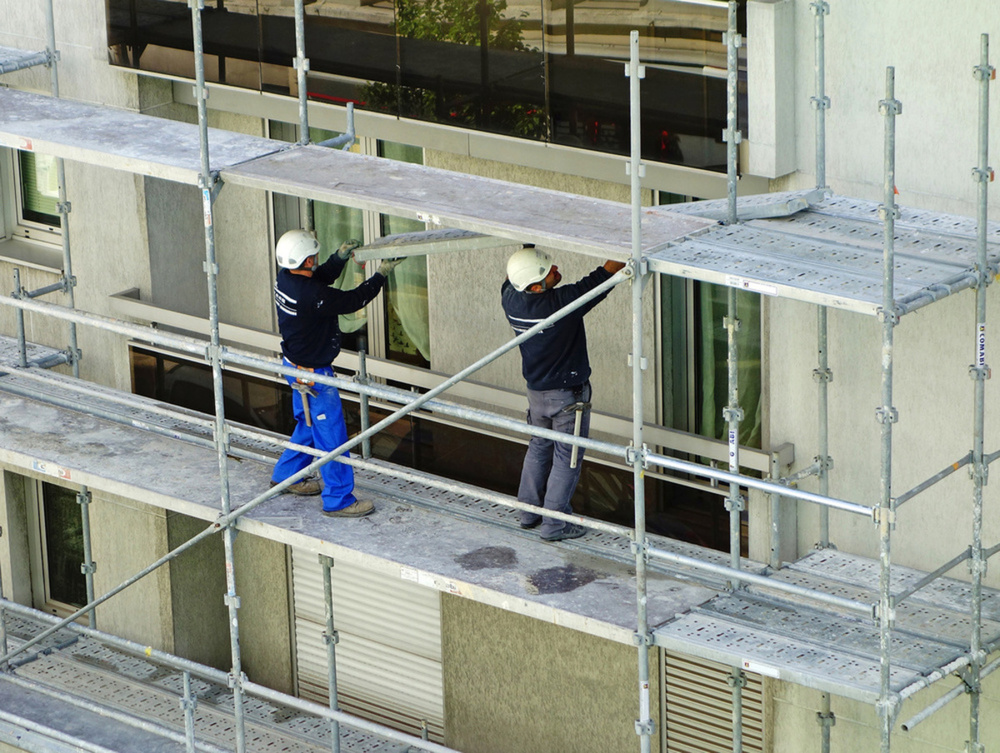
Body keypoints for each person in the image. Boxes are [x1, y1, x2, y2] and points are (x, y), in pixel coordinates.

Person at [270, 229, 401, 517]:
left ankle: (286, 474)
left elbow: (318, 280)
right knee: (332, 437)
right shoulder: (311, 295)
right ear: (305, 261)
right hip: (315, 376)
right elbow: (351, 301)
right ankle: (339, 499)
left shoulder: (286, 277)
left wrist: (338, 260)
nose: (317, 260)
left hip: (294, 366)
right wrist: (380, 275)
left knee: (308, 424)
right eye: (314, 257)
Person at [501, 246, 626, 541]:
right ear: (535, 286)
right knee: (566, 457)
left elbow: (512, 275)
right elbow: (602, 278)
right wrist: (628, 244)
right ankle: (555, 524)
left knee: (538, 447)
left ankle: (528, 512)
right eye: (548, 272)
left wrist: (527, 251)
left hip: (536, 393)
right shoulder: (559, 304)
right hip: (568, 398)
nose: (556, 268)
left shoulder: (510, 299)